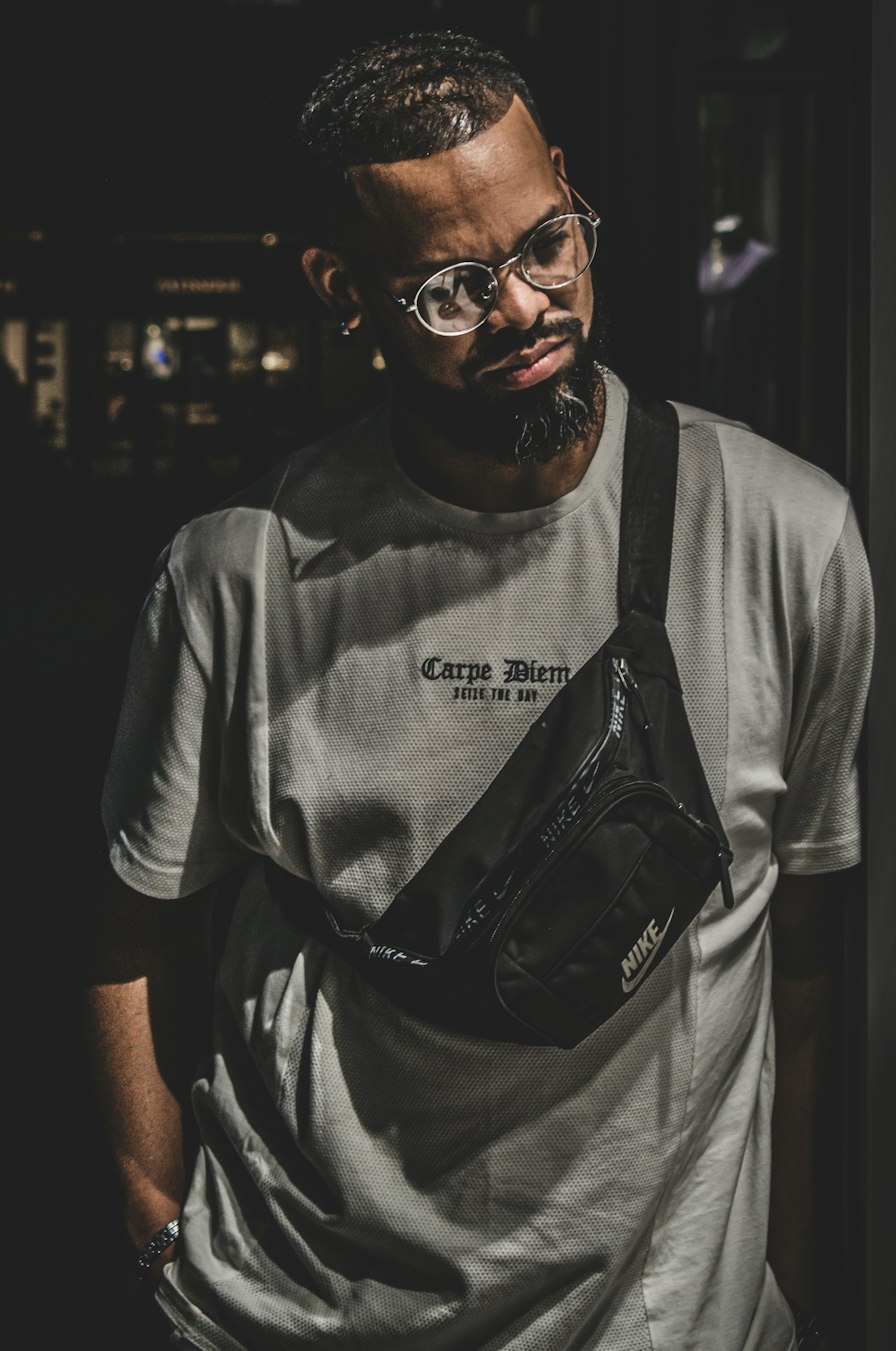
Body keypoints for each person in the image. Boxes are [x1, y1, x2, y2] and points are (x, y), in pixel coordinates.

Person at [82, 29, 874, 1351]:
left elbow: (807, 944)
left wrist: (782, 1272)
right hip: (304, 1308)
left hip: (672, 1319)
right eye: (449, 286)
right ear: (344, 290)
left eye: (547, 243)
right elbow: (131, 927)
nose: (521, 309)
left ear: (567, 186)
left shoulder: (788, 536)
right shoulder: (236, 575)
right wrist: (153, 1228)